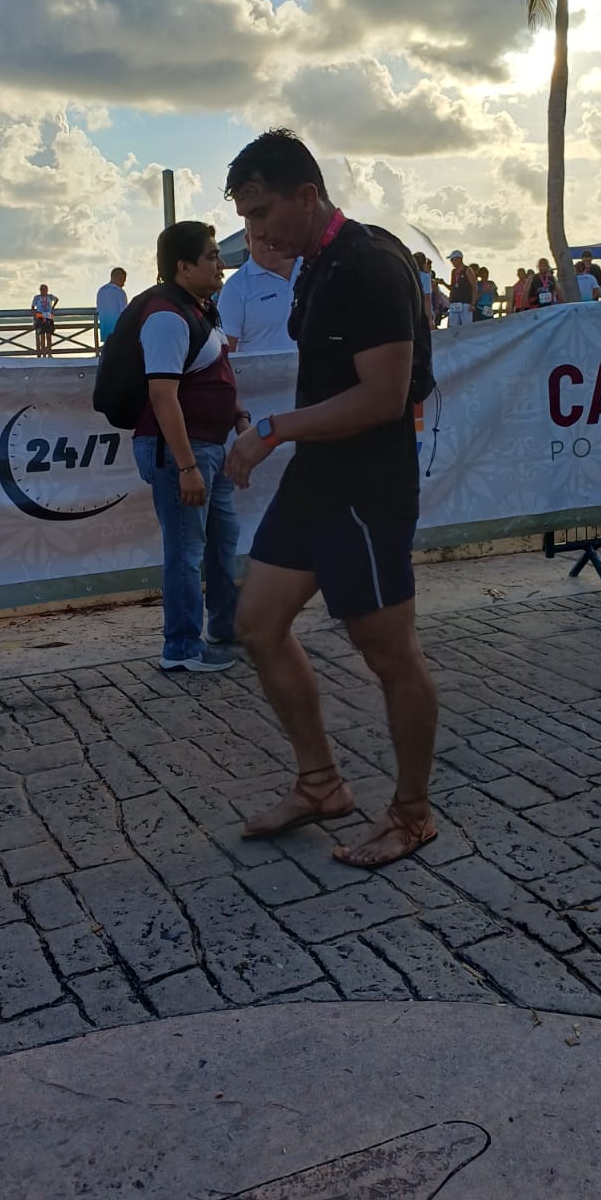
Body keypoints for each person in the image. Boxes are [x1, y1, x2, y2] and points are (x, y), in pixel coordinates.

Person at [223, 128, 439, 869]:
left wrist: (273, 429)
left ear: (307, 195)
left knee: (389, 655)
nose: (256, 232)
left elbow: (384, 397)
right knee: (257, 625)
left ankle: (412, 814)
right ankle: (320, 784)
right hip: (316, 479)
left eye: (261, 213)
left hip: (367, 490)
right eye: (246, 218)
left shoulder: (370, 263)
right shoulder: (315, 262)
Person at [132, 221, 251, 673]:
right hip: (182, 451)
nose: (220, 264)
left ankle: (225, 626)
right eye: (212, 256)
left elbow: (215, 375)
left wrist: (238, 417)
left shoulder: (201, 311)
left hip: (208, 447)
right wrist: (186, 467)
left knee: (221, 540)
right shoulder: (167, 317)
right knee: (186, 549)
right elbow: (163, 396)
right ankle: (181, 648)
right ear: (184, 266)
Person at [216, 227, 301, 353]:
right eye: (261, 237)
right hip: (260, 367)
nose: (270, 243)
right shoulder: (235, 287)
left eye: (275, 234)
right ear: (248, 241)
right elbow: (225, 353)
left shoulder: (314, 269)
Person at [96, 267, 128, 345]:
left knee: (107, 349)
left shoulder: (101, 291)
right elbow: (124, 313)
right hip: (118, 331)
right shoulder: (119, 292)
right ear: (117, 278)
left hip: (105, 330)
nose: (123, 284)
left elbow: (98, 309)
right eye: (122, 280)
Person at [447, 250, 477, 327]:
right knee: (453, 326)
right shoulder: (453, 271)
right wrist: (450, 297)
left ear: (459, 259)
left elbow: (474, 286)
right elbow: (453, 286)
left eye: (453, 259)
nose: (451, 262)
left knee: (466, 326)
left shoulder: (468, 270)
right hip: (455, 302)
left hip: (465, 302)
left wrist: (473, 303)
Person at [31, 284, 58, 356]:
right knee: (42, 337)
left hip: (49, 316)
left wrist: (53, 307)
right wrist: (35, 318)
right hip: (40, 316)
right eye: (41, 289)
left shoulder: (50, 296)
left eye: (44, 289)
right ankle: (43, 354)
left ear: (47, 290)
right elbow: (32, 307)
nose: (43, 291)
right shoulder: (37, 297)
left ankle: (49, 353)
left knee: (49, 336)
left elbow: (56, 299)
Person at [413, 252, 434, 322]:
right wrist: (430, 319)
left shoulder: (409, 275)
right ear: (424, 264)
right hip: (422, 312)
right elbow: (427, 299)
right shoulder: (425, 277)